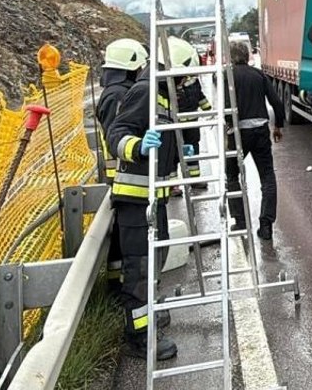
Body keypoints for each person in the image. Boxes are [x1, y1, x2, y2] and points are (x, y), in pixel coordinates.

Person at [107, 36, 204, 361]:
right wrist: (137, 146)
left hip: (154, 199)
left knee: (155, 262)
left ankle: (148, 315)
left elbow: (163, 142)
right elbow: (116, 134)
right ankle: (138, 337)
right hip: (136, 200)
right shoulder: (146, 91)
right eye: (181, 78)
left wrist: (178, 151)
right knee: (140, 269)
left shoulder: (162, 98)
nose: (182, 85)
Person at [96, 38, 148, 297]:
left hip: (120, 174)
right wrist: (139, 147)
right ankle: (122, 295)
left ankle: (116, 288)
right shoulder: (119, 95)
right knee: (132, 250)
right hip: (126, 176)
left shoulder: (113, 91)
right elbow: (117, 135)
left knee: (120, 241)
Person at [223, 43, 285, 241]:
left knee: (232, 175)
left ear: (231, 57)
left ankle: (240, 221)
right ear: (248, 56)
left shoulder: (227, 75)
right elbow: (276, 102)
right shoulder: (259, 75)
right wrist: (278, 126)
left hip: (238, 132)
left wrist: (228, 128)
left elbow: (224, 105)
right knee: (267, 176)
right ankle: (266, 225)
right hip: (260, 131)